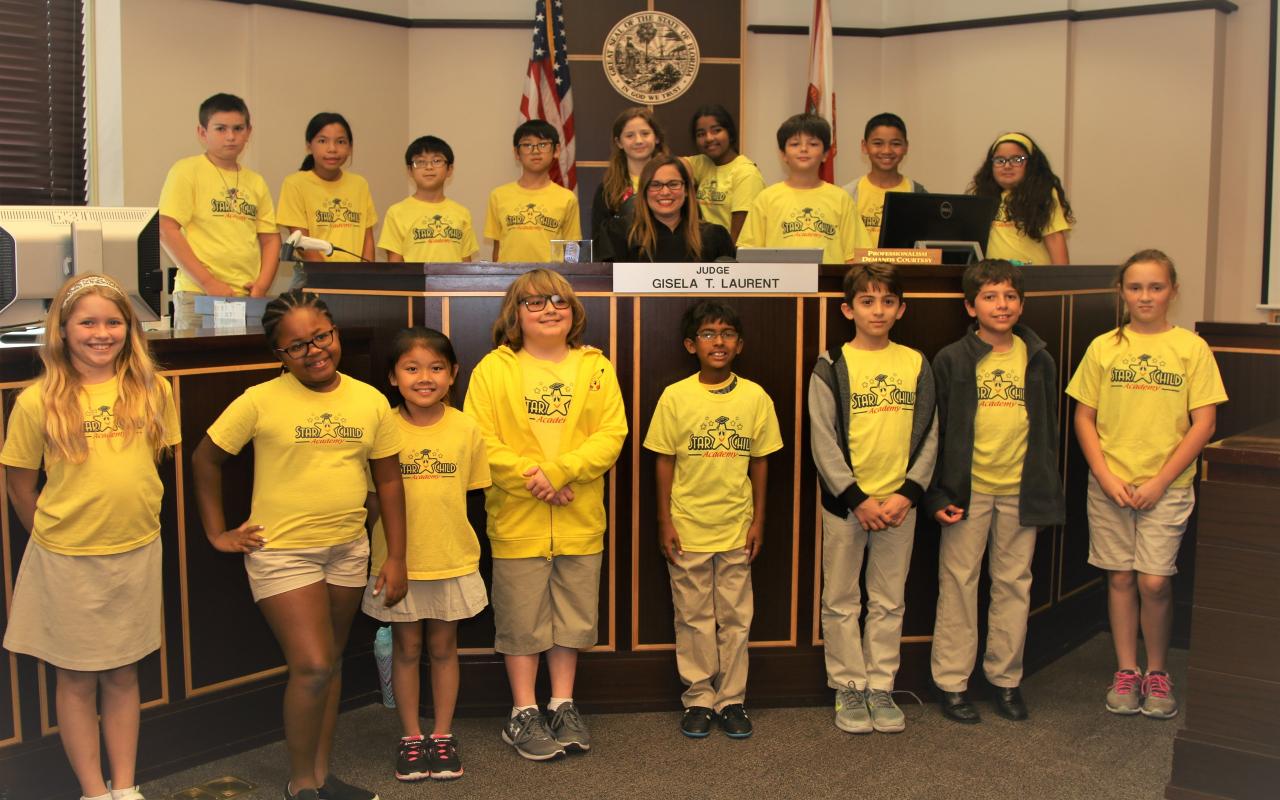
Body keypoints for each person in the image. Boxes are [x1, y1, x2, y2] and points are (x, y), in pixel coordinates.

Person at [192, 290, 406, 800]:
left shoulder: (369, 400)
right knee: (311, 665)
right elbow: (205, 460)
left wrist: (395, 554)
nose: (313, 351)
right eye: (296, 347)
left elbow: (391, 482)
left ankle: (320, 778)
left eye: (321, 337)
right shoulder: (260, 400)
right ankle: (299, 783)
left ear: (335, 333)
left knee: (329, 665)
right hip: (283, 552)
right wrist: (217, 532)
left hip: (347, 549)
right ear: (279, 355)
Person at [1, 274, 180, 800]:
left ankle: (124, 788)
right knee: (76, 679)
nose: (101, 333)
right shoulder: (39, 401)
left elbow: (153, 467)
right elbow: (19, 484)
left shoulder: (154, 390)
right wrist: (56, 539)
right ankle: (93, 792)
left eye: (113, 321)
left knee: (124, 673)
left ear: (130, 327)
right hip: (67, 559)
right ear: (63, 329)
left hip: (135, 551)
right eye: (87, 322)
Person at [463, 269, 626, 761]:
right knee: (521, 620)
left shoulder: (596, 367)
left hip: (578, 518)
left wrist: (560, 472)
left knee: (572, 618)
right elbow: (480, 440)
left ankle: (561, 703)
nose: (549, 309)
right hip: (518, 517)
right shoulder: (494, 370)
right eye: (534, 303)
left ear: (574, 311)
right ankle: (523, 712)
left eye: (558, 300)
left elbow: (610, 435)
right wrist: (535, 479)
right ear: (515, 315)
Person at [1066, 249, 1226, 720]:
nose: (1145, 296)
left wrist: (1160, 481)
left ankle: (1158, 671)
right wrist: (1105, 475)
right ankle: (1127, 670)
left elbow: (1204, 424)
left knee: (1154, 581)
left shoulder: (1191, 348)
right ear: (1122, 292)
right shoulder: (1103, 347)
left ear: (1173, 291)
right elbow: (1084, 416)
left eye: (1156, 287)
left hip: (1167, 487)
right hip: (1112, 484)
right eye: (1135, 287)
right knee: (1119, 577)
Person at [925, 259, 1065, 724]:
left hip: (1020, 491)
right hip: (968, 491)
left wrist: (1046, 490)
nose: (1001, 305)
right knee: (960, 584)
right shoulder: (952, 359)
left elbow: (1048, 430)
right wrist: (939, 496)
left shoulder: (1038, 356)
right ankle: (953, 684)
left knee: (1013, 584)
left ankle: (1005, 680)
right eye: (990, 296)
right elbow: (935, 433)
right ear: (970, 306)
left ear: (1021, 304)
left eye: (1009, 296)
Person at [644, 300, 782, 739]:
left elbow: (760, 461)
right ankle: (700, 697)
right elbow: (663, 460)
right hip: (687, 526)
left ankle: (732, 699)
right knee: (693, 616)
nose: (717, 341)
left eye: (726, 334)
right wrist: (665, 520)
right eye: (707, 334)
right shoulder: (676, 396)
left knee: (737, 616)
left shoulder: (756, 396)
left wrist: (759, 519)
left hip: (737, 526)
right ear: (691, 345)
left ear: (739, 345)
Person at [809, 263, 937, 735]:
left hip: (899, 506)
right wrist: (856, 498)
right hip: (848, 507)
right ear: (848, 309)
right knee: (841, 598)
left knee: (888, 599)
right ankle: (848, 685)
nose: (877, 310)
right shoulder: (832, 365)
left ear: (901, 309)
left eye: (887, 301)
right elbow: (823, 440)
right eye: (867, 301)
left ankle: (881, 684)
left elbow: (929, 435)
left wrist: (906, 494)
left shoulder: (916, 363)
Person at [363, 327, 489, 782]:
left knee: (443, 648)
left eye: (436, 368)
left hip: (450, 557)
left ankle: (442, 733)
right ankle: (411, 736)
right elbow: (373, 498)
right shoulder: (382, 428)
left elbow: (470, 493)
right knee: (407, 646)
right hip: (397, 562)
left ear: (453, 374)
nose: (425, 377)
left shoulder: (467, 427)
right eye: (411, 368)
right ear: (393, 377)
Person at [158, 92, 279, 330]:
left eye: (238, 128)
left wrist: (262, 286)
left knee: (246, 366)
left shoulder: (256, 181)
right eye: (221, 129)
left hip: (247, 297)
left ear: (249, 132)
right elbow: (165, 228)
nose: (231, 137)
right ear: (202, 133)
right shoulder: (186, 171)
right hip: (199, 294)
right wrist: (208, 282)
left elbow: (270, 239)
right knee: (198, 366)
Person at [738, 113, 861, 264]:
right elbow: (749, 254)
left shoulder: (841, 198)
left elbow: (854, 257)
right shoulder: (766, 198)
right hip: (779, 285)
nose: (804, 149)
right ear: (783, 154)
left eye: (813, 144)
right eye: (795, 144)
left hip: (828, 285)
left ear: (825, 154)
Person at [277, 113, 378, 272]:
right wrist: (332, 278)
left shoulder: (360, 184)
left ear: (350, 147)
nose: (332, 149)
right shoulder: (295, 184)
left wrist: (366, 276)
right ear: (309, 146)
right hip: (314, 276)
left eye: (340, 142)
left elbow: (368, 241)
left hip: (357, 279)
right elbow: (302, 242)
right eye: (322, 141)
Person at [595, 155, 735, 263]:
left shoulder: (714, 237)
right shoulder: (619, 234)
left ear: (686, 190)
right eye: (655, 185)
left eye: (673, 184)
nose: (665, 192)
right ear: (644, 191)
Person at [968, 132, 1074, 265]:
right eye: (1000, 160)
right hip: (994, 279)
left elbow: (1054, 239)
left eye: (1017, 160)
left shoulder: (1044, 194)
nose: (1007, 166)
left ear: (1031, 164)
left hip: (1034, 279)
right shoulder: (983, 196)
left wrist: (1062, 282)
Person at [485, 120, 582, 263]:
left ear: (556, 150)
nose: (535, 151)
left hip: (550, 281)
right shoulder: (498, 196)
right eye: (527, 145)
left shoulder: (567, 198)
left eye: (543, 144)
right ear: (517, 153)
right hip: (511, 281)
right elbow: (498, 248)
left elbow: (572, 249)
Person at [378, 136, 478, 263]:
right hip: (414, 283)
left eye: (437, 161)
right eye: (420, 162)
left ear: (450, 169)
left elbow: (466, 268)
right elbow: (395, 268)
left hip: (452, 283)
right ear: (409, 170)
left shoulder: (462, 213)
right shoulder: (396, 212)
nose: (429, 167)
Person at [841, 113, 928, 250]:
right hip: (859, 270)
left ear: (906, 147)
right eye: (878, 143)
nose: (887, 151)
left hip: (905, 270)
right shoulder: (847, 194)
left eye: (895, 144)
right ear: (864, 146)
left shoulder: (917, 193)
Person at [685, 104, 765, 243]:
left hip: (730, 256)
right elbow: (667, 166)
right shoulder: (703, 163)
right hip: (707, 252)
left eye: (716, 130)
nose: (709, 138)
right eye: (701, 134)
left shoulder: (746, 172)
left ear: (730, 133)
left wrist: (727, 261)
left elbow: (739, 236)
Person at [590, 108, 669, 238]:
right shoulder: (608, 189)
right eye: (629, 135)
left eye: (645, 133)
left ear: (657, 138)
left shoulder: (674, 182)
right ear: (619, 142)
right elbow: (599, 239)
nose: (638, 141)